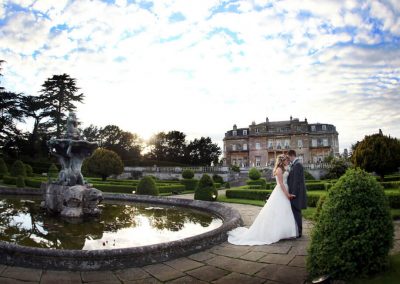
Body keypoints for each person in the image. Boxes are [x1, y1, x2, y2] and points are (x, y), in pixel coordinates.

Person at [227, 154, 298, 245]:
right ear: (282, 161)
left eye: (288, 160)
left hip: (284, 190)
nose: (288, 161)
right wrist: (287, 194)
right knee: (279, 211)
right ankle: (276, 233)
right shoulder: (279, 170)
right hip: (281, 191)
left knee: (284, 211)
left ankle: (285, 232)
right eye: (286, 160)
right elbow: (281, 184)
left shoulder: (284, 168)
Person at [287, 150, 307, 238]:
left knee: (297, 212)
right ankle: (297, 230)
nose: (289, 159)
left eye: (289, 157)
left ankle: (299, 232)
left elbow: (296, 181)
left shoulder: (297, 164)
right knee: (295, 211)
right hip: (296, 192)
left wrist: (294, 193)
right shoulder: (295, 164)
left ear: (292, 156)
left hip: (296, 193)